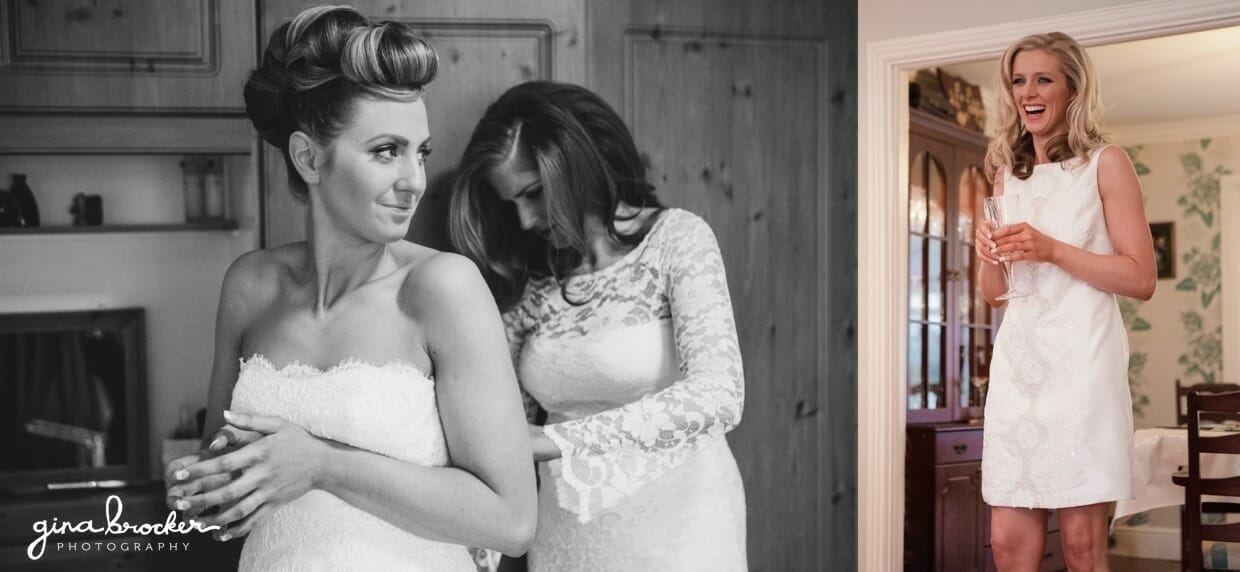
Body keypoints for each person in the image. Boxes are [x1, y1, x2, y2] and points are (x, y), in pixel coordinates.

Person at [162, 6, 537, 570]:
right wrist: (202, 488)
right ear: (309, 157)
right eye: (387, 151)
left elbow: (511, 522)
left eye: (421, 152)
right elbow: (229, 475)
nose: (413, 180)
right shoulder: (249, 285)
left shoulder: (442, 288)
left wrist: (321, 463)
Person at [448, 81, 747, 571]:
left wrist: (559, 441)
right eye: (511, 204)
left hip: (682, 530)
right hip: (567, 535)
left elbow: (719, 395)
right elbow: (507, 438)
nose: (524, 220)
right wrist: (474, 556)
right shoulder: (533, 284)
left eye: (533, 193)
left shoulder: (676, 240)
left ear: (572, 164)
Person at [975, 32, 1156, 571]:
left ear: (1072, 89)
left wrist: (1051, 249)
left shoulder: (1107, 163)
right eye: (1018, 80)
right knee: (1008, 544)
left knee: (1081, 548)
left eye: (1043, 78)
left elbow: (1141, 276)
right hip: (1018, 373)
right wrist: (987, 252)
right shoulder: (1006, 173)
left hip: (1083, 372)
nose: (1027, 91)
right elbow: (995, 294)